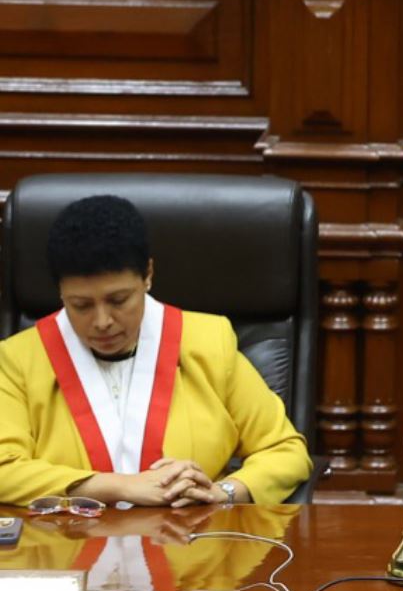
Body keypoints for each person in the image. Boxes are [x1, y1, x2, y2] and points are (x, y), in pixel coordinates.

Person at [0, 194, 312, 507]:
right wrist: (119, 487)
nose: (102, 322)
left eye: (119, 300)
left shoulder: (209, 342)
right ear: (60, 292)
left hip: (190, 545)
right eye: (81, 305)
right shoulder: (18, 360)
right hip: (67, 545)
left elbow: (286, 451)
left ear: (148, 274)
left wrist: (224, 492)